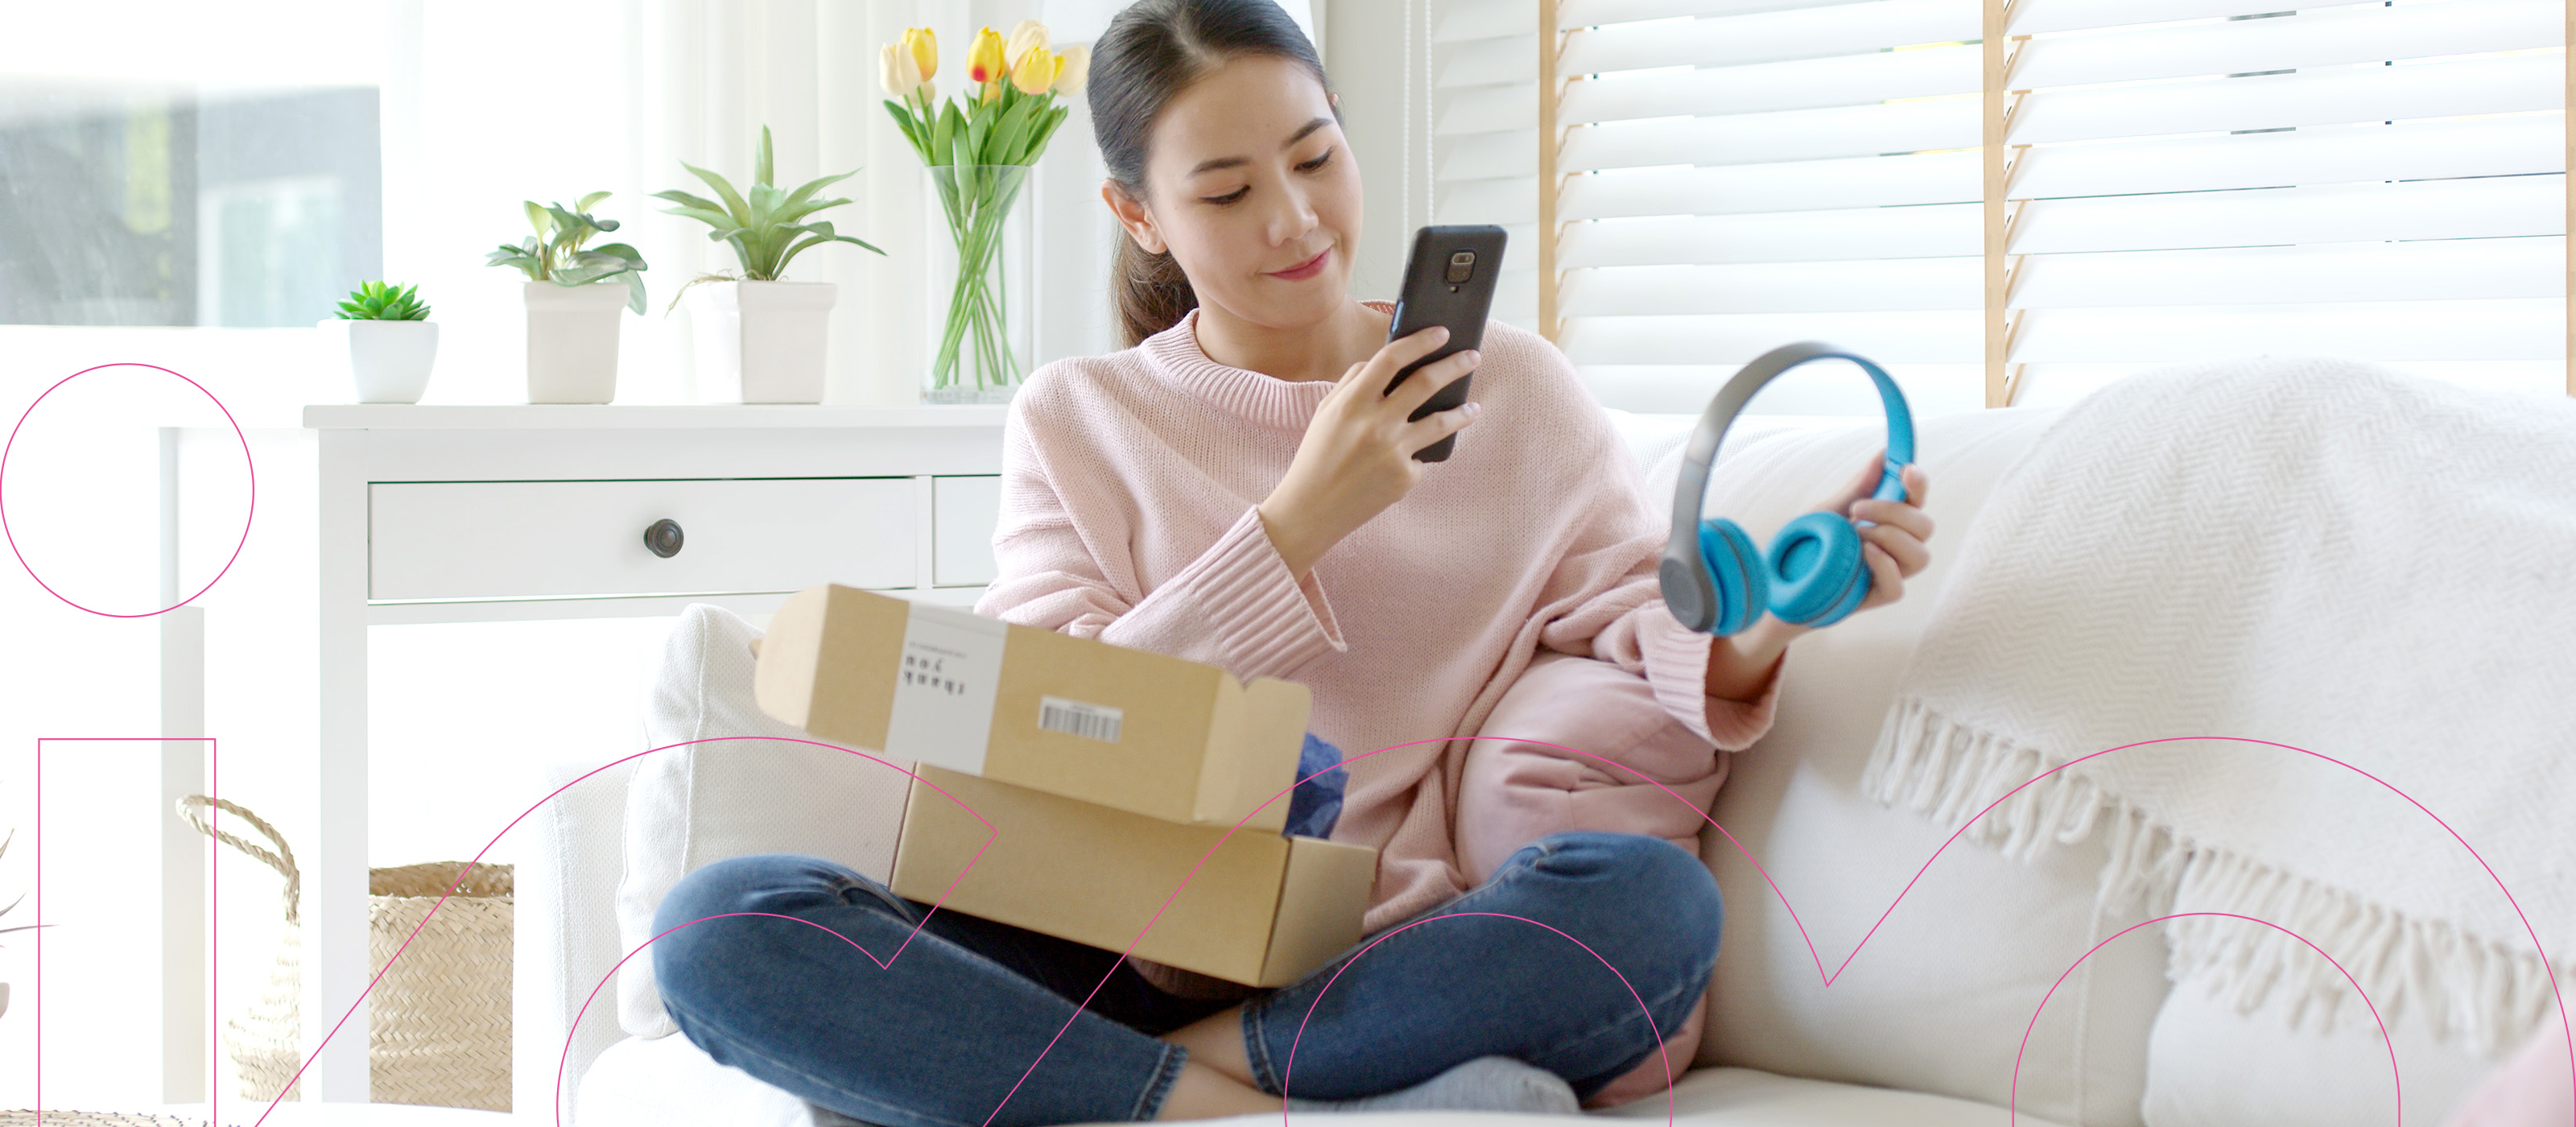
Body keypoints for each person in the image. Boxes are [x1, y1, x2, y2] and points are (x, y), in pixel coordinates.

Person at [648, 1, 1937, 1124]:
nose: (1296, 219)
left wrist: (1768, 620)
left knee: (1651, 907)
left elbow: (1621, 620)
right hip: (1130, 935)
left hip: (1405, 951)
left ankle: (1114, 1083)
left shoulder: (1518, 390)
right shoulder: (1078, 417)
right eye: (1223, 191)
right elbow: (1041, 709)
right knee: (724, 925)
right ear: (1135, 214)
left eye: (1317, 156)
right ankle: (1238, 1098)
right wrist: (1294, 528)